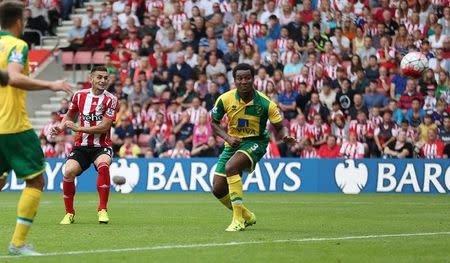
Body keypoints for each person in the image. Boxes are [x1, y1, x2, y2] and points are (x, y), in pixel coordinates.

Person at [0, 0, 71, 256]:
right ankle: (18, 244)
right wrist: (52, 85)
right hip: (14, 126)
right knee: (36, 180)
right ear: (19, 21)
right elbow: (15, 77)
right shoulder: (17, 45)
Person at [210, 63, 296, 231]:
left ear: (253, 79)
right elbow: (214, 123)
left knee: (231, 167)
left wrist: (284, 136)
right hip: (232, 142)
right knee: (218, 189)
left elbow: (279, 126)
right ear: (234, 80)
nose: (244, 81)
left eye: (247, 78)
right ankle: (247, 215)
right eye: (240, 78)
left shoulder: (265, 103)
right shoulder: (225, 99)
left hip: (256, 142)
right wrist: (227, 137)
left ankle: (237, 220)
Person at [51, 66, 118, 226]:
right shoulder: (79, 96)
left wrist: (78, 128)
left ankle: (102, 209)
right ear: (91, 79)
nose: (103, 81)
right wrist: (60, 127)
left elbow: (104, 126)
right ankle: (69, 213)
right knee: (68, 172)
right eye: (99, 77)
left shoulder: (111, 99)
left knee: (103, 165)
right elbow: (70, 115)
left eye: (105, 78)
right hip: (81, 145)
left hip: (102, 145)